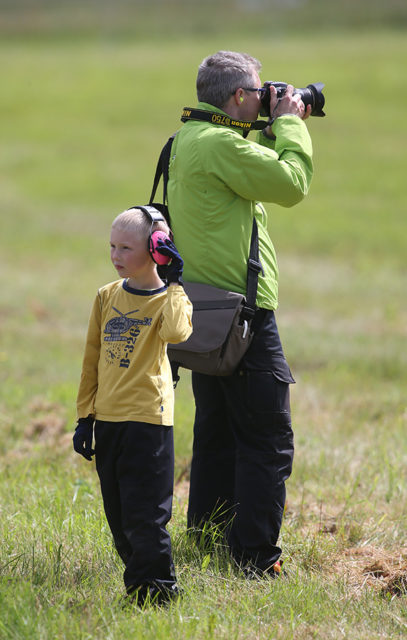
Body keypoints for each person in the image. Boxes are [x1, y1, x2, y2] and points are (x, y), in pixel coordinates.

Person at [167, 51, 313, 577]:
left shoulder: (189, 139)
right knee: (267, 439)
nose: (264, 98)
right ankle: (254, 559)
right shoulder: (224, 144)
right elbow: (291, 183)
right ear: (236, 98)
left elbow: (254, 175)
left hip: (202, 311)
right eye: (258, 92)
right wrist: (291, 124)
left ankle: (206, 537)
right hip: (243, 315)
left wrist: (269, 124)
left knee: (218, 432)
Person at [72, 206, 193, 605]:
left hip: (148, 422)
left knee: (146, 516)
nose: (116, 255)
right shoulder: (107, 295)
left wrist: (175, 282)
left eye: (126, 247)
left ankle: (158, 593)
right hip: (108, 420)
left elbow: (177, 332)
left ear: (157, 249)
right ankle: (142, 583)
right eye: (112, 246)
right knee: (119, 518)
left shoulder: (170, 299)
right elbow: (92, 358)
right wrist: (84, 417)